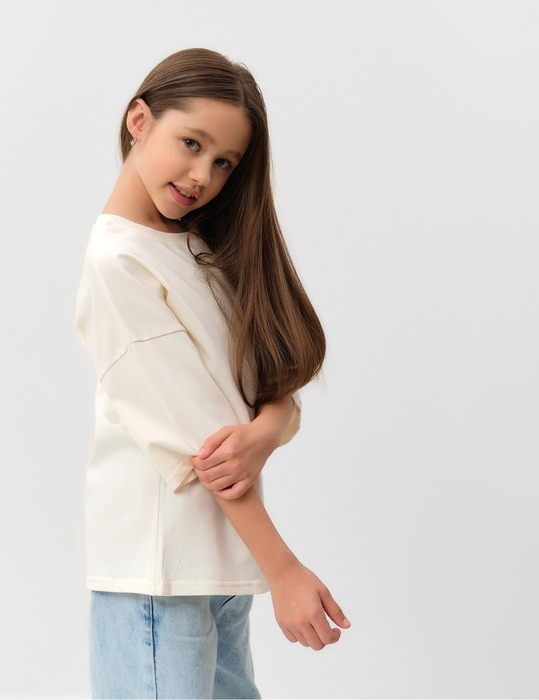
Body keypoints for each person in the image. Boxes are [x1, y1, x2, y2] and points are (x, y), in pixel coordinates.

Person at [75, 47, 350, 699]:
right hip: (158, 573)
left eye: (224, 162)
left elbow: (267, 388)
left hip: (218, 567)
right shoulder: (118, 264)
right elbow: (206, 450)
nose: (202, 175)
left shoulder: (198, 250)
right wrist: (284, 570)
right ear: (139, 120)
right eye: (191, 143)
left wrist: (266, 430)